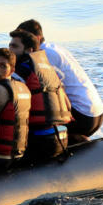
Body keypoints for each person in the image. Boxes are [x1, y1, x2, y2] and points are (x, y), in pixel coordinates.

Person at [15, 19, 103, 143]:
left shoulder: (44, 55)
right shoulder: (55, 48)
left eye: (24, 39)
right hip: (96, 112)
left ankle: (77, 140)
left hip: (82, 115)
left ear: (37, 37)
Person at [9, 29, 72, 162]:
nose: (10, 50)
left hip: (41, 141)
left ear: (29, 50)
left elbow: (7, 98)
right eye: (9, 45)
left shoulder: (23, 69)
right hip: (62, 136)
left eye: (14, 46)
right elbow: (68, 104)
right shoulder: (49, 69)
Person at [0, 47, 31, 171]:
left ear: (12, 70)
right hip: (19, 154)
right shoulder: (24, 88)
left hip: (0, 157)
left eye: (3, 66)